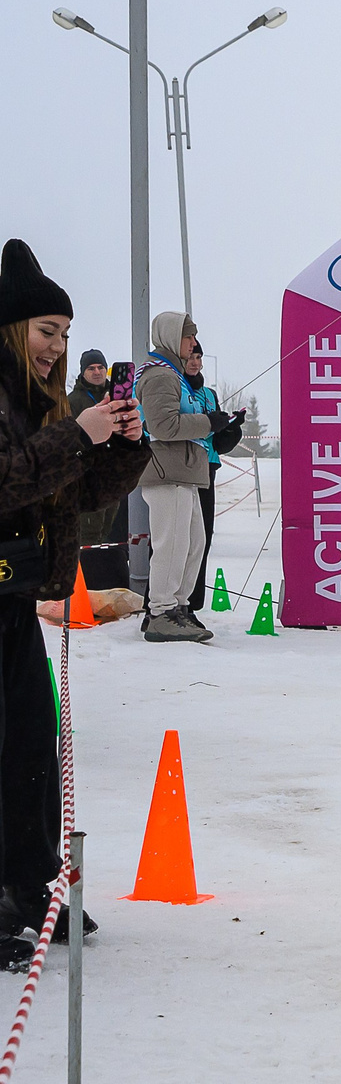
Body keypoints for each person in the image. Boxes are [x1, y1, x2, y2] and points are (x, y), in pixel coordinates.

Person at [0, 243, 147, 970]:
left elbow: (73, 499)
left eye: (64, 332)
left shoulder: (43, 406)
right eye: (45, 330)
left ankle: (32, 892)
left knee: (31, 753)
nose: (57, 347)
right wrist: (73, 435)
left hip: (13, 601)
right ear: (11, 329)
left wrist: (118, 447)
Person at [135, 311, 240, 643]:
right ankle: (161, 611)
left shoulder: (175, 376)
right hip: (167, 471)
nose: (193, 344)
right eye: (188, 337)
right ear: (169, 337)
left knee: (194, 542)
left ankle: (178, 607)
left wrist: (219, 425)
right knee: (173, 543)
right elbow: (163, 425)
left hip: (186, 472)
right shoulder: (160, 376)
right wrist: (209, 422)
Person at [65, 350, 131, 592]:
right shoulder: (73, 401)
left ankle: (112, 583)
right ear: (83, 372)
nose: (96, 372)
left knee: (112, 531)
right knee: (89, 532)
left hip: (113, 474)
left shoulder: (116, 398)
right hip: (86, 476)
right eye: (91, 368)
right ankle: (87, 586)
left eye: (100, 368)